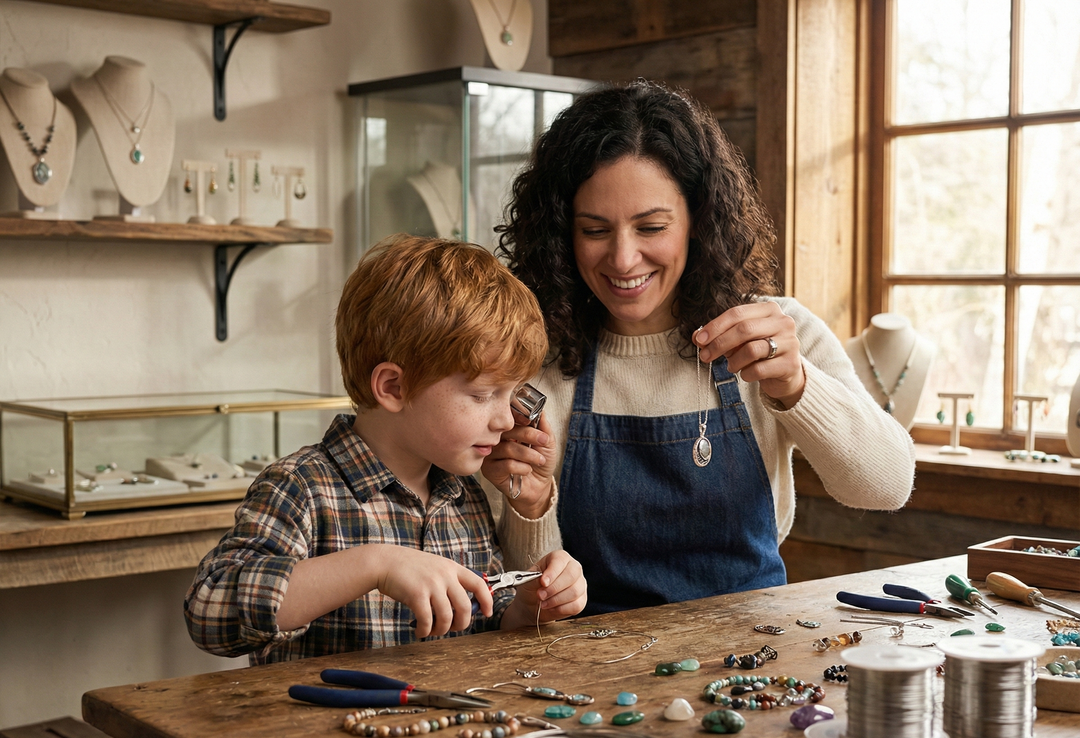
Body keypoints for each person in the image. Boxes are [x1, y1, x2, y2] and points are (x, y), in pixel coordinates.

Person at [481, 80, 916, 615]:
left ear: (698, 221)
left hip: (754, 655)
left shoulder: (776, 331)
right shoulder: (535, 360)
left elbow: (887, 486)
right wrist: (532, 507)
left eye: (651, 227)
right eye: (595, 230)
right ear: (560, 233)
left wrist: (798, 386)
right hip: (591, 666)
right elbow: (527, 596)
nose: (622, 258)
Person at [185, 234, 587, 664]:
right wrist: (375, 565)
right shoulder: (301, 488)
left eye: (510, 396)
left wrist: (528, 608)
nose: (506, 420)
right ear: (393, 387)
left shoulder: (461, 494)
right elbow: (209, 612)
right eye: (482, 395)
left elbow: (483, 626)